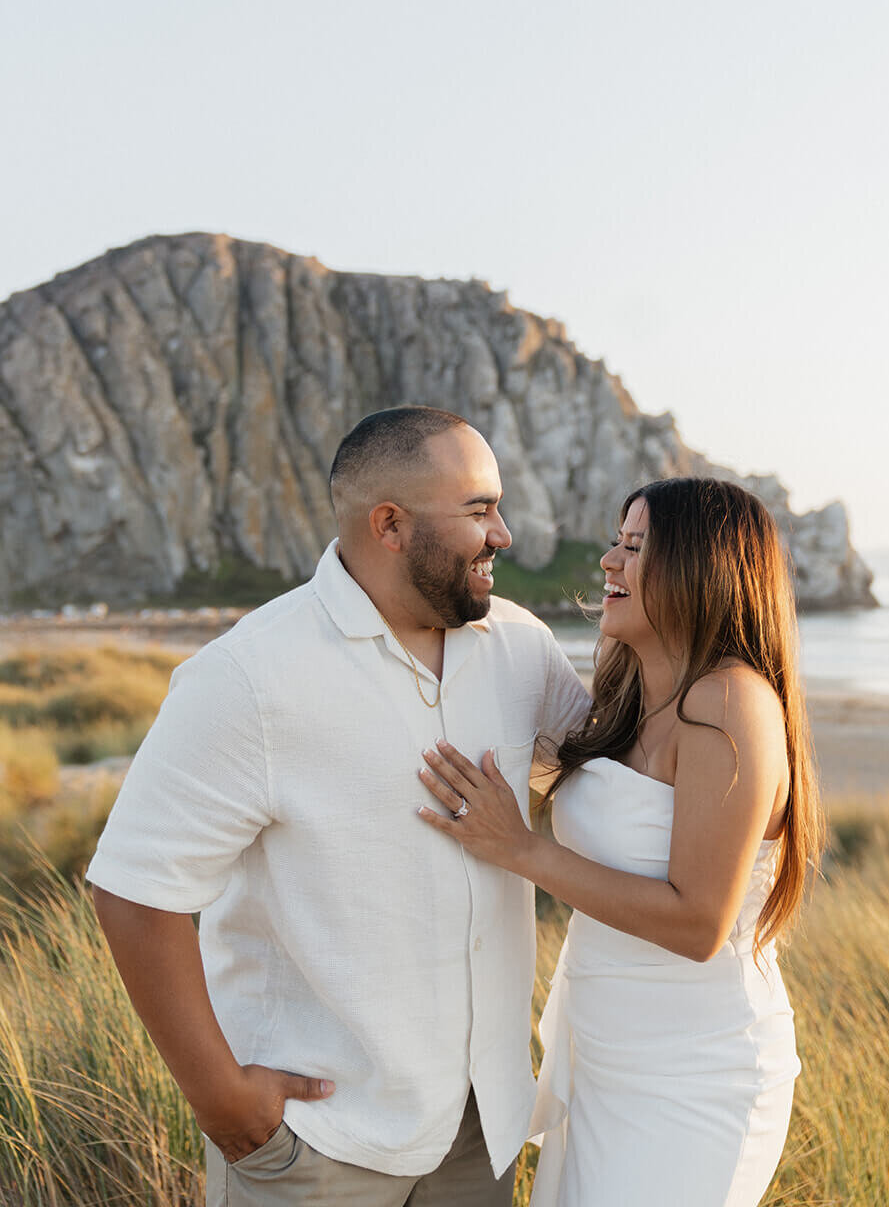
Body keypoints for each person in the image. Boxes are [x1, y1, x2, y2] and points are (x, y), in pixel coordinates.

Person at [88, 406, 590, 1207]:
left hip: (479, 1128)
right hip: (318, 1142)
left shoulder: (519, 644)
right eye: (477, 509)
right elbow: (131, 889)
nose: (502, 534)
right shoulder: (249, 676)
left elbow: (608, 770)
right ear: (389, 524)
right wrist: (220, 1097)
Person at [418, 477, 824, 1207]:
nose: (608, 561)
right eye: (615, 541)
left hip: (696, 1075)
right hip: (603, 1055)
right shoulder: (628, 693)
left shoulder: (729, 702)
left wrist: (519, 850)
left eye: (634, 547)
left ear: (703, 568)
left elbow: (699, 923)